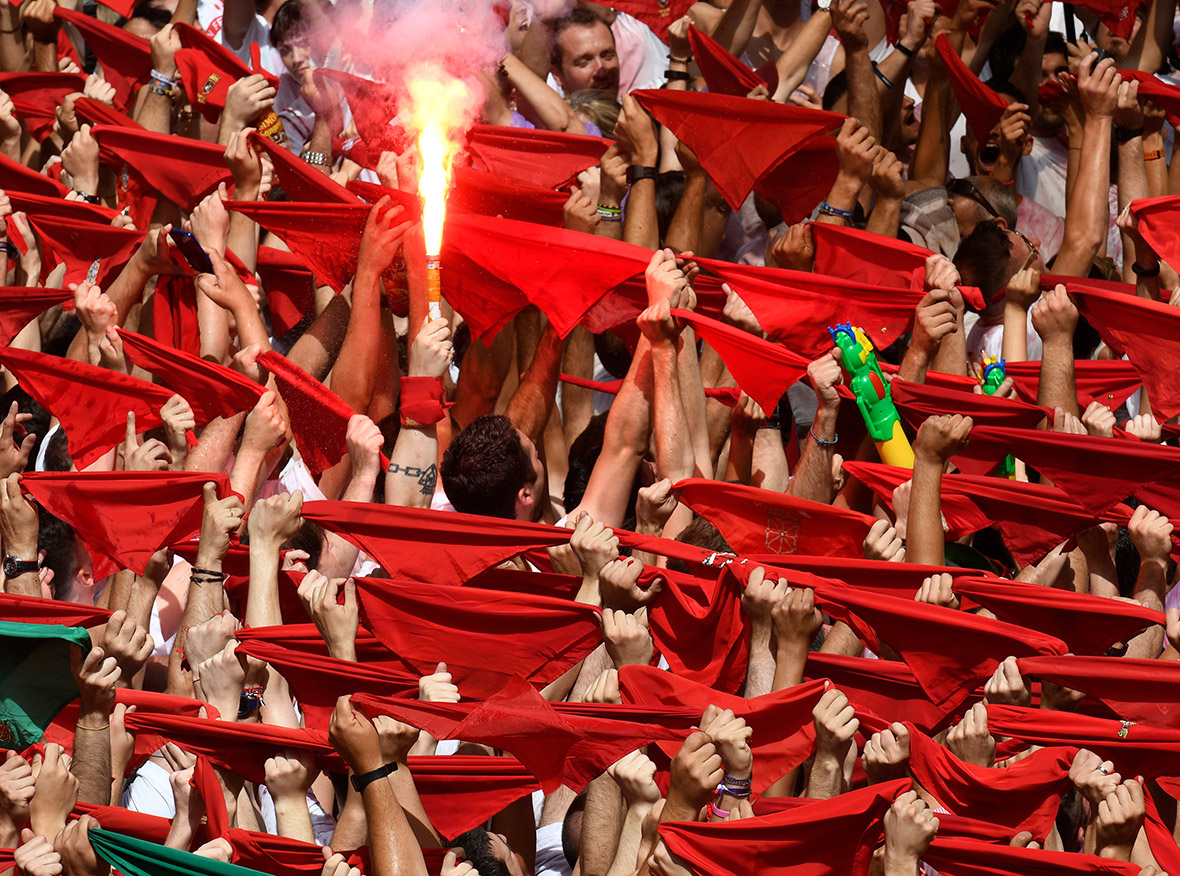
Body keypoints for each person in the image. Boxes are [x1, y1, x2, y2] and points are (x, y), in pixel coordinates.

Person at [1, 1, 1179, 876]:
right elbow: (645, 459)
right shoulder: (497, 570)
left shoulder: (379, 576)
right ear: (530, 513)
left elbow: (558, 441)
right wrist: (824, 366)